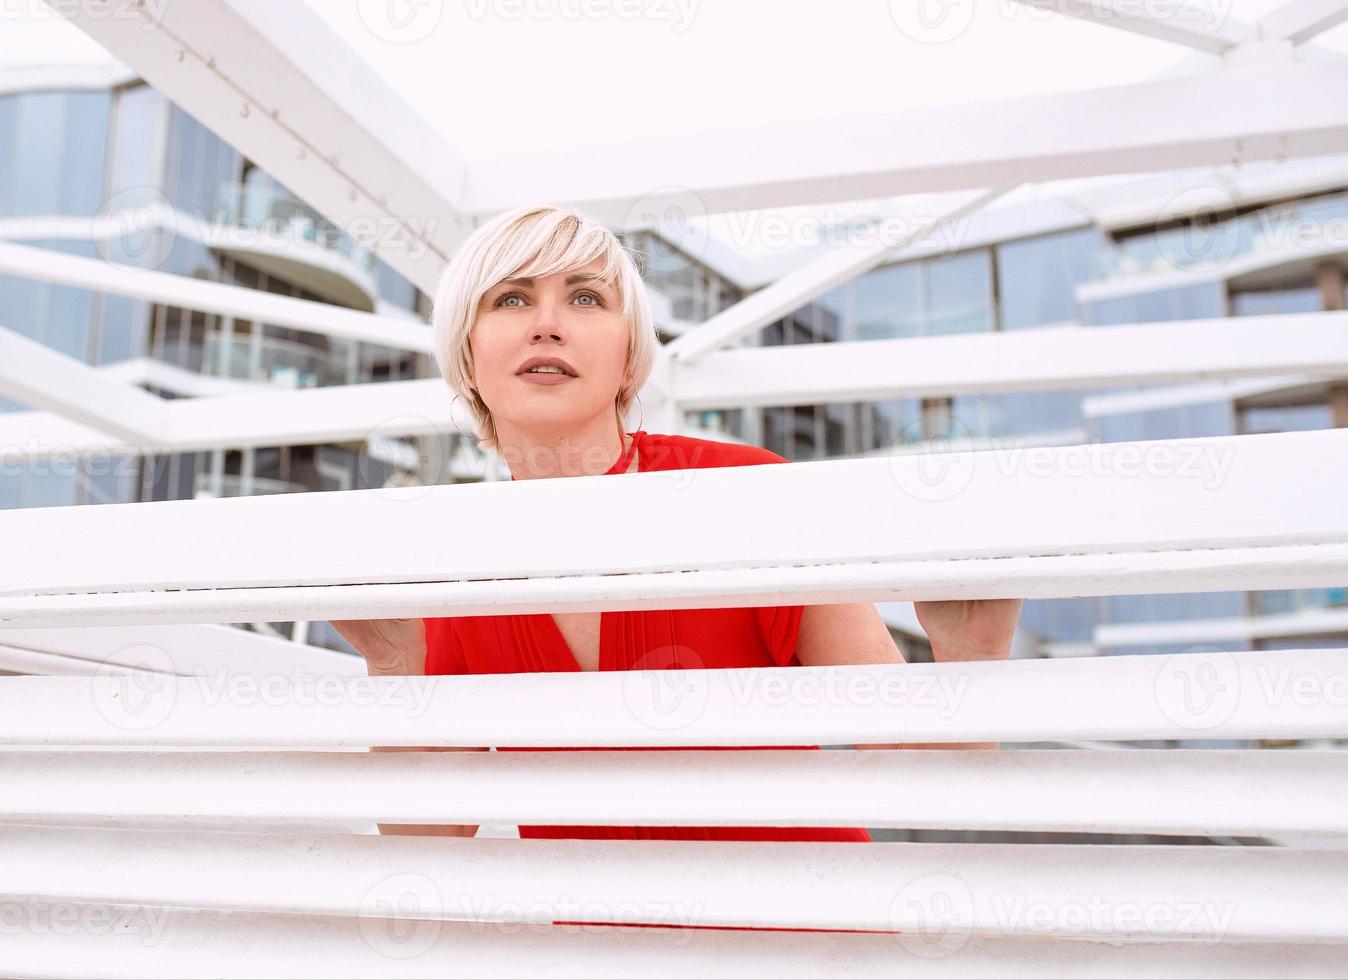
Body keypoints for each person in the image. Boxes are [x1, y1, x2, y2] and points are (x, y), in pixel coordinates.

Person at [331, 205, 1023, 848]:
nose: (546, 323)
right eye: (511, 298)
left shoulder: (751, 497)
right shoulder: (455, 565)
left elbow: (917, 772)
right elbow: (427, 844)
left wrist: (974, 662)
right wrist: (394, 670)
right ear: (467, 356)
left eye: (585, 297)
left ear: (630, 357)